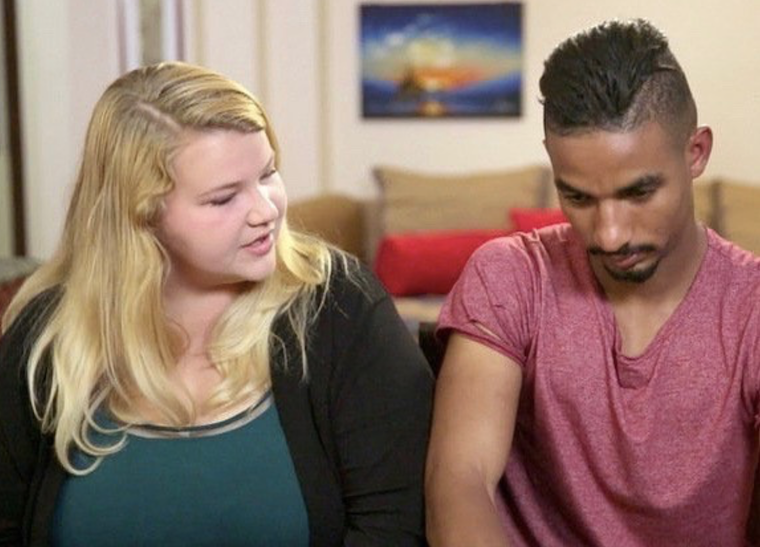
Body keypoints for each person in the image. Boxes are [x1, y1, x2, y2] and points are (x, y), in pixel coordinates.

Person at [0, 62, 433, 547]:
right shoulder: (46, 336)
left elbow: (394, 526)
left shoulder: (341, 309)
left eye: (268, 173)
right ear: (140, 215)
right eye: (224, 198)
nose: (266, 211)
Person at [425, 19, 760, 546]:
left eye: (638, 193)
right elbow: (460, 481)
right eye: (578, 197)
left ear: (695, 153)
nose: (609, 235)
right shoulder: (510, 276)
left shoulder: (751, 307)